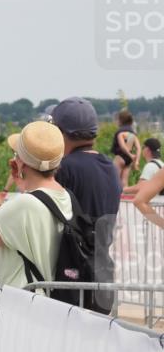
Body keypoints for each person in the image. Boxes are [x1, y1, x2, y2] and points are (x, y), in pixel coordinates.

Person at [0, 121, 72, 291]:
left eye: (16, 153)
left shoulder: (25, 204)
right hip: (50, 306)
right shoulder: (64, 196)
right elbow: (12, 234)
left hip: (22, 307)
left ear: (21, 162)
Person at [50, 96, 121, 314]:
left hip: (70, 278)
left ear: (62, 133)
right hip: (101, 273)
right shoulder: (110, 167)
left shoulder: (65, 168)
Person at [111, 109, 140, 186]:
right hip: (129, 159)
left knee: (115, 179)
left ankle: (116, 197)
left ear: (121, 120)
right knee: (124, 180)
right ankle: (125, 196)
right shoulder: (132, 134)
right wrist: (136, 160)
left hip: (120, 157)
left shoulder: (120, 133)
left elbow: (122, 146)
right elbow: (138, 148)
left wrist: (130, 155)